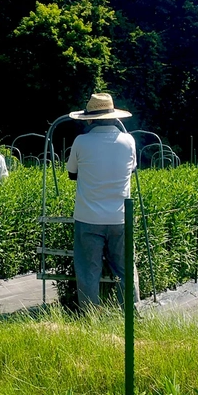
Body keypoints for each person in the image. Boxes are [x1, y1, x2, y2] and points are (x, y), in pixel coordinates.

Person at [66, 93, 138, 308]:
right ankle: (130, 314)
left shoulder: (81, 141)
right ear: (114, 117)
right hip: (120, 216)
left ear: (89, 119)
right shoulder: (128, 141)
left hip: (88, 216)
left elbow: (72, 173)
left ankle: (90, 317)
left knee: (89, 271)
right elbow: (132, 169)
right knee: (125, 268)